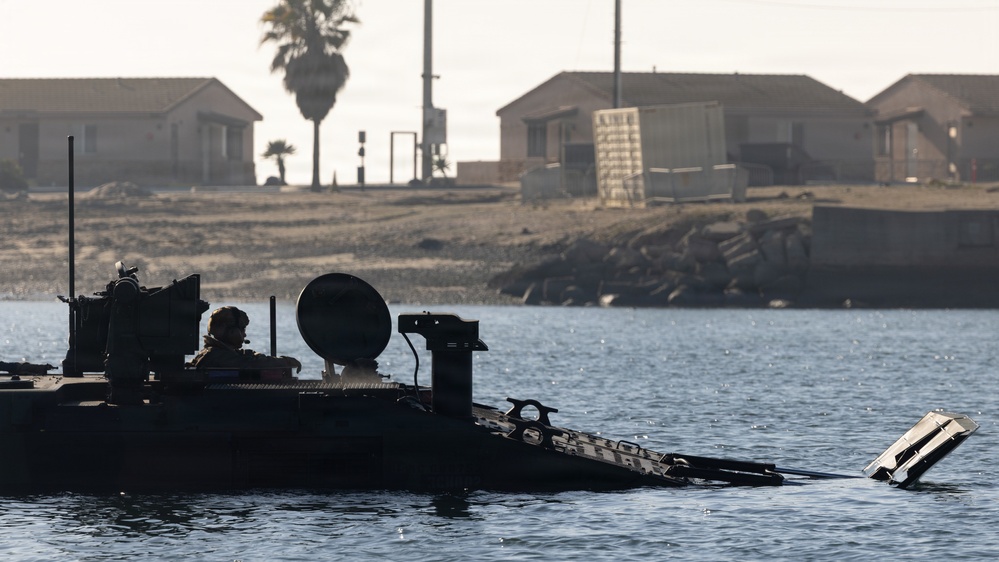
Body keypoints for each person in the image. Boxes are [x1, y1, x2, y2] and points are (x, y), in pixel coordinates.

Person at [187, 306, 302, 379]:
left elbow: (246, 356)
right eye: (242, 330)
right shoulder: (216, 356)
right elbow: (252, 364)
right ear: (231, 331)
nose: (244, 335)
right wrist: (285, 362)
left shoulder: (216, 352)